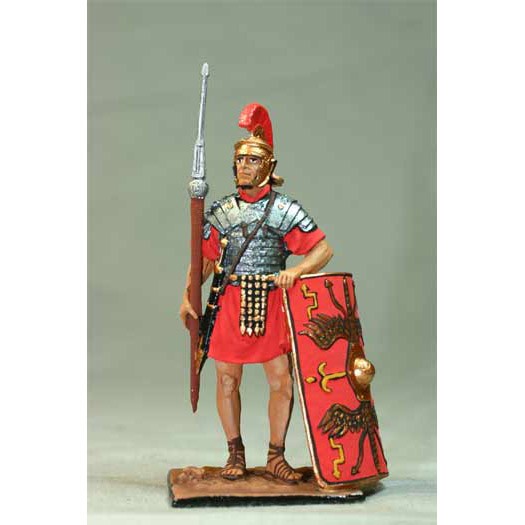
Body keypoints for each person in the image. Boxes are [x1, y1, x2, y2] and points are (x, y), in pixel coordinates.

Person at [179, 103, 333, 484]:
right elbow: (204, 260)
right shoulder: (222, 212)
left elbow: (322, 249)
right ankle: (235, 452)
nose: (244, 166)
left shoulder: (283, 210)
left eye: (252, 160)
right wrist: (188, 296)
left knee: (281, 380)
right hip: (230, 302)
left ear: (268, 166)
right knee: (226, 379)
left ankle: (276, 456)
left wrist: (295, 271)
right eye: (240, 160)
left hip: (270, 303)